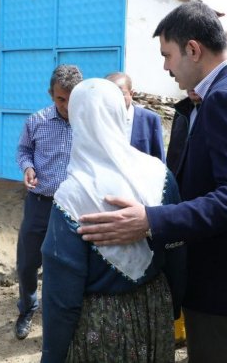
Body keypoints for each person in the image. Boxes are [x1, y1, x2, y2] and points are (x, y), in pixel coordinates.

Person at [77, 1, 227, 363]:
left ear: (193, 49)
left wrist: (151, 220)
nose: (165, 66)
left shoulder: (225, 98)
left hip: (222, 278)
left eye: (168, 55)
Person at [40, 78, 185, 362]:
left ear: (77, 119)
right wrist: (173, 305)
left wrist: (52, 355)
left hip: (101, 324)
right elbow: (178, 250)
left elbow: (62, 295)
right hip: (154, 307)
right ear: (120, 114)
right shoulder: (157, 173)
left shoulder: (74, 194)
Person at [14, 64, 83, 340]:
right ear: (51, 95)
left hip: (75, 207)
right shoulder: (37, 121)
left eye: (72, 98)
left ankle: (68, 313)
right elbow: (23, 150)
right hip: (40, 203)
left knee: (71, 263)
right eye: (61, 99)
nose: (67, 106)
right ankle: (28, 307)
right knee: (27, 262)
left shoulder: (90, 121)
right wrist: (28, 167)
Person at [105, 72, 165, 161]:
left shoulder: (150, 120)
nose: (115, 98)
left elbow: (159, 158)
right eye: (109, 93)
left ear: (131, 93)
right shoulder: (101, 119)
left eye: (120, 93)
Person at [166, 89, 201, 175]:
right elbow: (173, 151)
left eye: (198, 82)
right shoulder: (181, 111)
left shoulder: (215, 111)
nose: (194, 87)